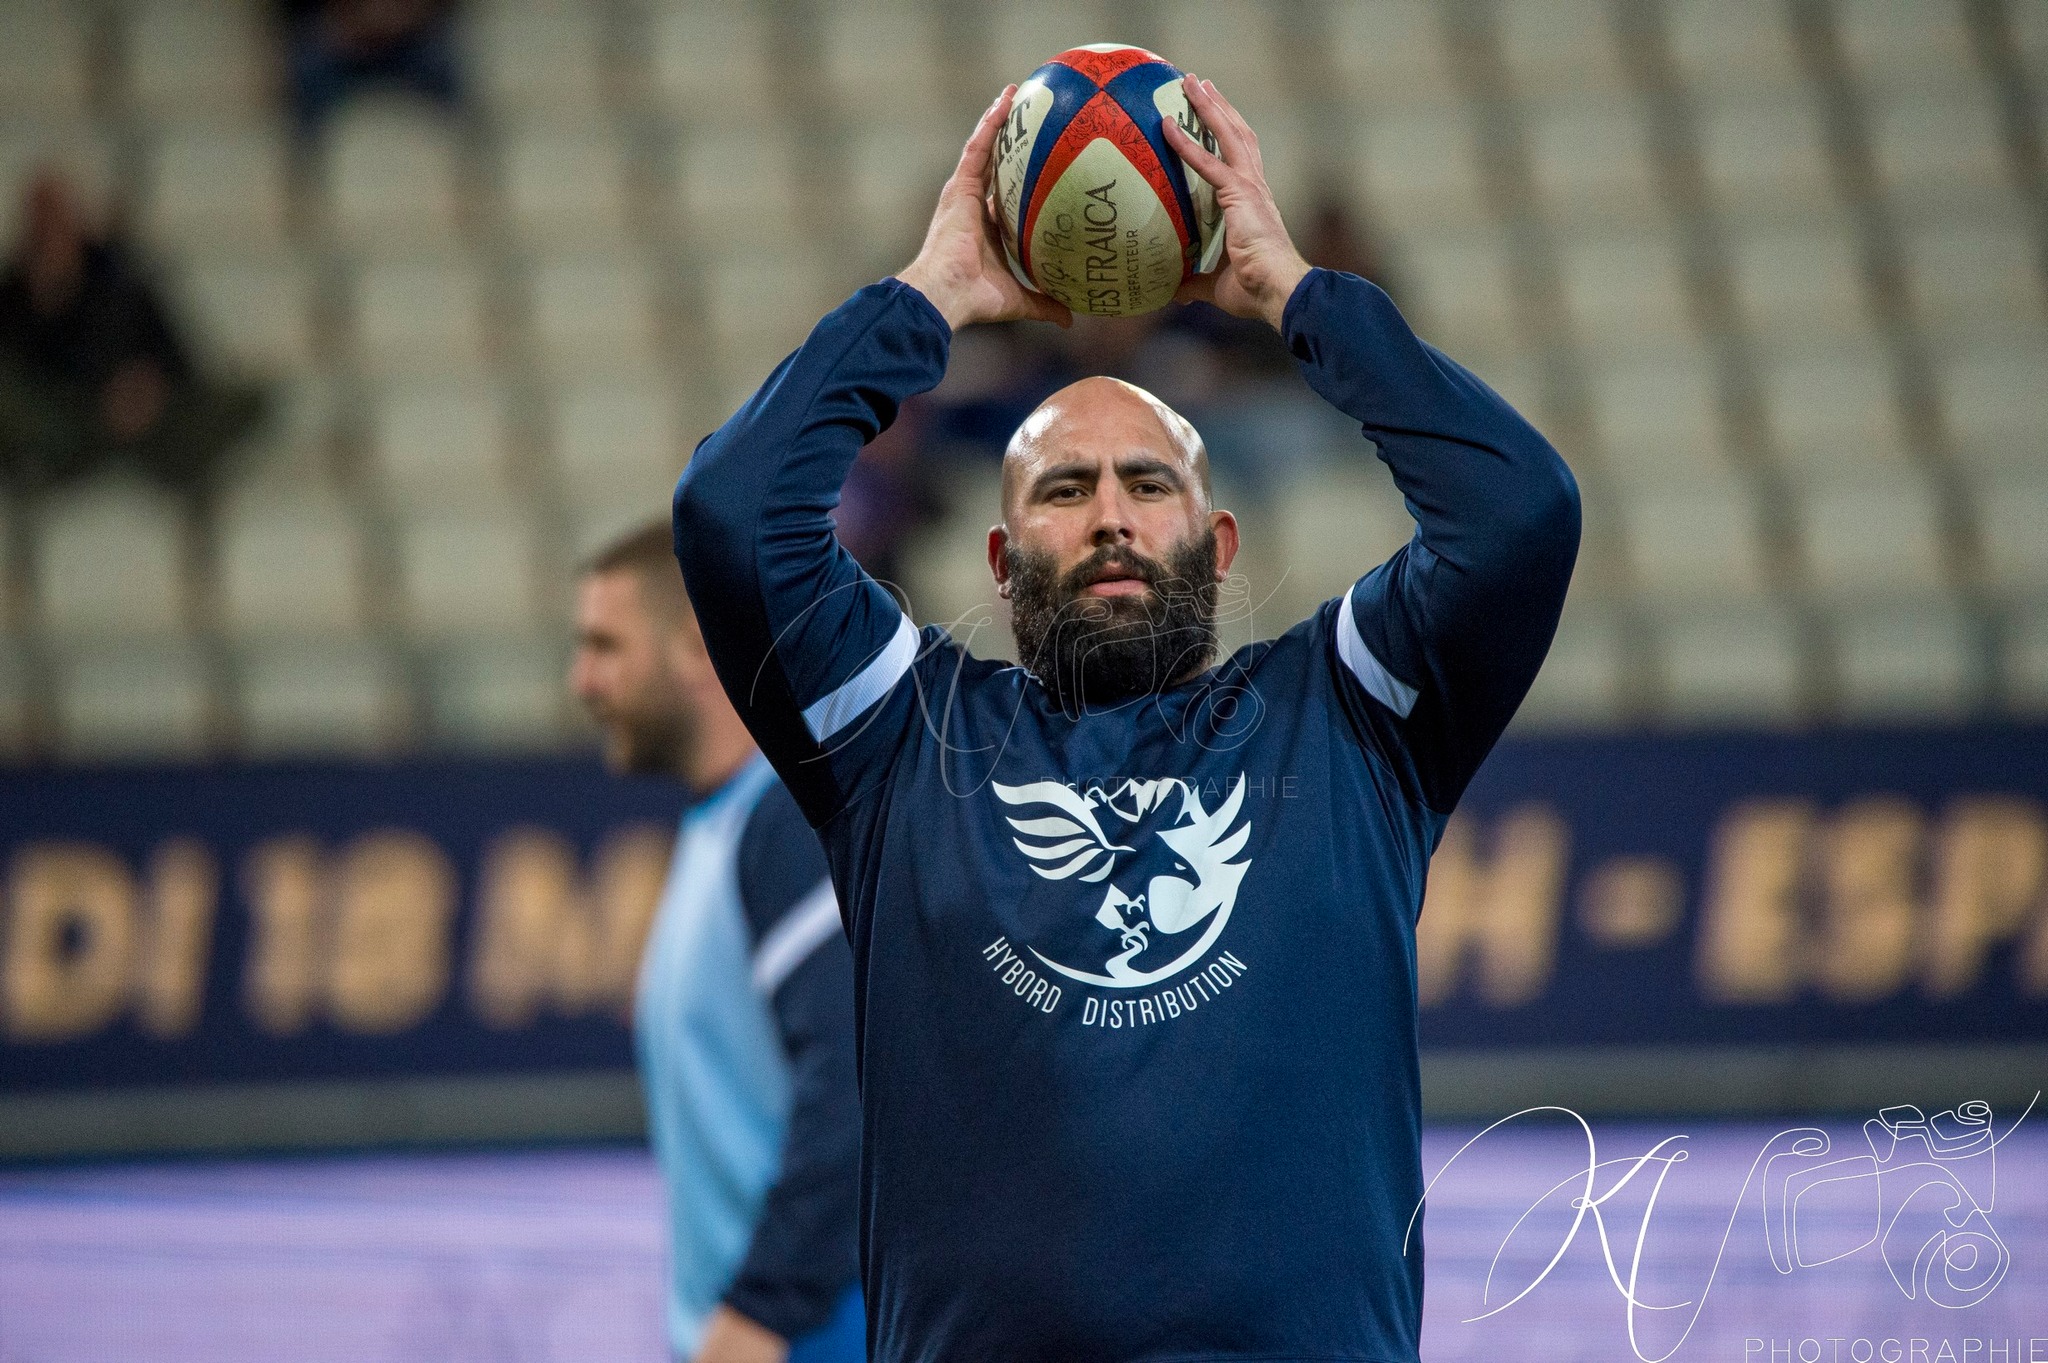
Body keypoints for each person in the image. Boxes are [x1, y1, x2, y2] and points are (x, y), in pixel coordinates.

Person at [673, 72, 1579, 1363]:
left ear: (1216, 542)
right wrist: (923, 303)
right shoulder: (898, 743)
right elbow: (730, 513)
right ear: (997, 558)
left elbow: (1521, 516)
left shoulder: (1346, 716)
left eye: (1148, 483)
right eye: (1064, 488)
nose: (1107, 513)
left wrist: (1299, 301)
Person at [570, 522, 865, 1363]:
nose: (582, 680)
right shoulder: (730, 824)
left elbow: (855, 1082)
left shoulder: (787, 822)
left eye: (604, 645)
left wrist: (761, 1313)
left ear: (698, 648)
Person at [0, 171, 263, 495]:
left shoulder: (120, 277)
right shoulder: (13, 292)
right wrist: (46, 299)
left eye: (60, 218)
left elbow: (177, 356)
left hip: (140, 413)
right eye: (42, 222)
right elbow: (21, 374)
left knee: (242, 400)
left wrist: (143, 390)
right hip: (64, 423)